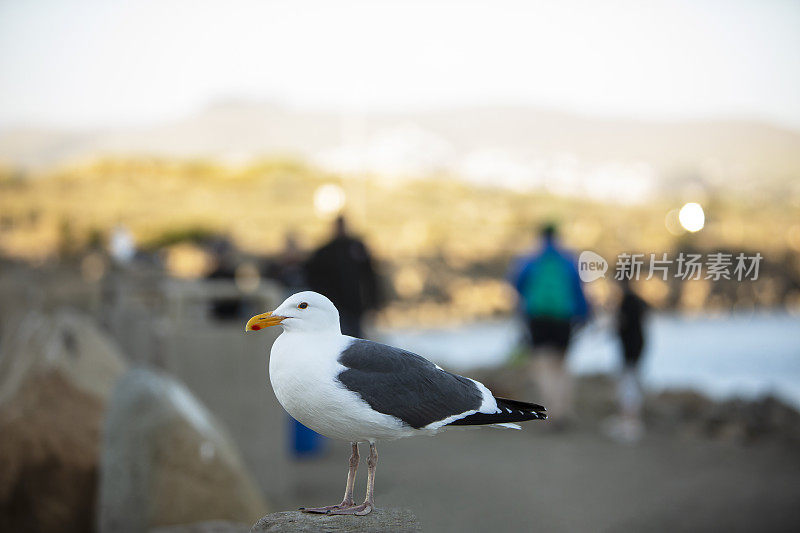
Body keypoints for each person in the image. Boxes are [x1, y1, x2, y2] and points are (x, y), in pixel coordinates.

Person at [509, 223, 589, 426]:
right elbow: (580, 290)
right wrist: (585, 316)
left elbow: (516, 285)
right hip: (564, 318)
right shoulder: (569, 260)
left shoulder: (530, 259)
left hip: (537, 318)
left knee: (542, 366)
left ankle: (551, 411)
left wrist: (522, 310)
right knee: (562, 366)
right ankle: (564, 410)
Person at [304, 215, 380, 338]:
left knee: (355, 337)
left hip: (354, 303)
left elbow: (370, 276)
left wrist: (373, 302)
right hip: (334, 302)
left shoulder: (356, 247)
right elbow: (312, 275)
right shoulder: (325, 251)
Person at [608, 275, 648, 443]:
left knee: (628, 384)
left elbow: (620, 324)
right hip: (637, 347)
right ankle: (630, 420)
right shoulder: (638, 301)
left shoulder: (627, 300)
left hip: (629, 350)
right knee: (632, 382)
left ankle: (630, 423)